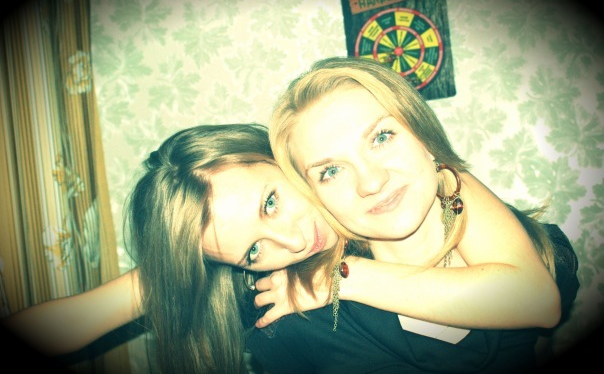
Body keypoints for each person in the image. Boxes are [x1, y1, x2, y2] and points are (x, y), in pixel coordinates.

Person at [1, 113, 577, 373]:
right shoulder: (278, 311)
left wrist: (342, 279)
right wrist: (164, 273)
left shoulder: (425, 194)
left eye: (271, 202)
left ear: (280, 157)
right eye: (253, 251)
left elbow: (534, 298)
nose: (294, 240)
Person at [244, 56, 580, 372]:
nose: (372, 182)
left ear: (423, 135)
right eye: (331, 171)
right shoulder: (299, 328)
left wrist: (344, 278)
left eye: (382, 137)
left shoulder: (546, 255)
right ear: (312, 194)